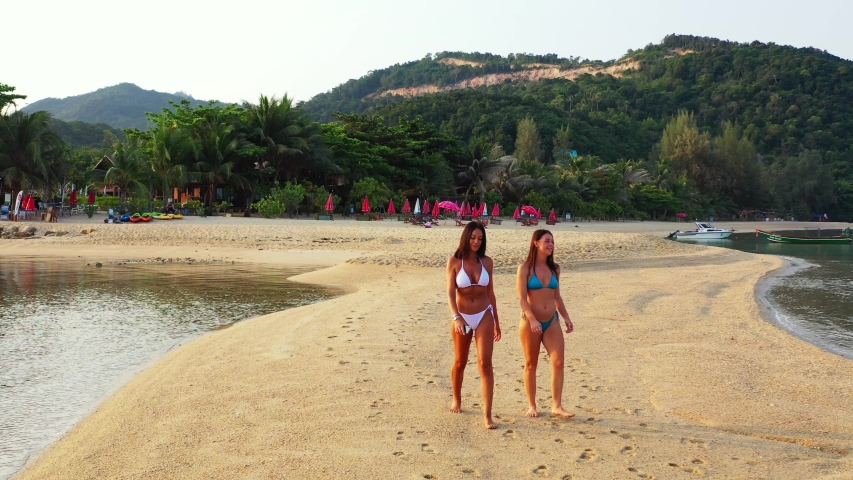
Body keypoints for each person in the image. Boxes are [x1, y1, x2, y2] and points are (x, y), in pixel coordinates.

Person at [446, 221, 502, 429]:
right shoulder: (454, 261)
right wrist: (456, 317)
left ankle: (487, 415)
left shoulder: (487, 262)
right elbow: (451, 294)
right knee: (460, 361)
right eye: (473, 238)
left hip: (484, 314)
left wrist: (497, 320)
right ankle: (457, 399)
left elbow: (491, 293)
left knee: (485, 362)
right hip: (462, 316)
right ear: (466, 237)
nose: (476, 242)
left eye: (480, 238)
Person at [516, 229, 575, 418]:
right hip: (530, 322)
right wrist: (533, 319)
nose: (551, 245)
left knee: (558, 362)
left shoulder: (555, 268)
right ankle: (532, 405)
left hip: (552, 321)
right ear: (536, 243)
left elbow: (557, 296)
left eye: (553, 242)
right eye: (547, 241)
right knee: (531, 364)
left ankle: (557, 405)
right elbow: (522, 299)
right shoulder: (525, 268)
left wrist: (566, 317)